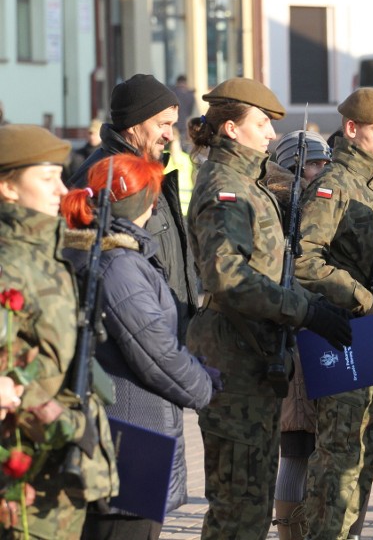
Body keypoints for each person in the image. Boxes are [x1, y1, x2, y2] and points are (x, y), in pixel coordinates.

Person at [186, 77, 352, 540]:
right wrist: (305, 311)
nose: (271, 134)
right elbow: (228, 277)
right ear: (233, 129)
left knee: (251, 503)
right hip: (233, 357)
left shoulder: (246, 180)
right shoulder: (227, 187)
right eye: (261, 123)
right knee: (238, 507)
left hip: (253, 352)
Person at [61, 154, 220, 539]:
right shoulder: (119, 266)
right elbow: (155, 351)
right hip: (131, 438)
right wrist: (203, 386)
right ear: (143, 204)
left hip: (122, 429)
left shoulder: (100, 251)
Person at [294, 87, 373, 540]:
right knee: (338, 458)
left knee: (364, 455)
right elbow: (303, 260)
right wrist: (360, 296)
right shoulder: (334, 184)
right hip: (342, 333)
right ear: (353, 129)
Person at [0, 124, 117, 538]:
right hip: (22, 472)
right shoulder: (9, 263)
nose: (61, 189)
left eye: (60, 176)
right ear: (8, 188)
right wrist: (63, 424)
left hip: (61, 470)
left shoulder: (48, 254)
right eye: (46, 178)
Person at [69, 73, 197, 345]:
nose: (169, 134)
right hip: (135, 348)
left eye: (172, 125)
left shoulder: (148, 170)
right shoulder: (104, 179)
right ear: (133, 125)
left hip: (170, 336)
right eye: (162, 124)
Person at [267, 130, 333, 540]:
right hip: (290, 338)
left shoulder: (310, 204)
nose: (323, 171)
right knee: (294, 448)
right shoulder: (283, 206)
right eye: (315, 164)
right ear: (295, 166)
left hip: (312, 333)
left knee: (308, 447)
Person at [171, 74, 197, 148]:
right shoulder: (190, 95)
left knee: (173, 144)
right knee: (183, 145)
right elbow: (190, 112)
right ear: (185, 83)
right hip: (183, 125)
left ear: (177, 82)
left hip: (172, 123)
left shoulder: (172, 92)